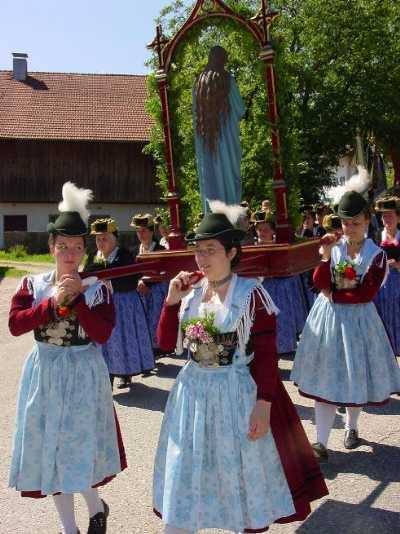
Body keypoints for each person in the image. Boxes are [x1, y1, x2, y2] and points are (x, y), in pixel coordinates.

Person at [153, 204, 328, 534]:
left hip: (235, 393)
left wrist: (263, 405)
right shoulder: (189, 294)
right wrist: (171, 302)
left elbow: (265, 356)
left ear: (231, 252)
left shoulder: (251, 295)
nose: (203, 259)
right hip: (192, 396)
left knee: (238, 475)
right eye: (198, 251)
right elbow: (164, 343)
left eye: (211, 250)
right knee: (188, 470)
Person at [8, 183, 126, 534]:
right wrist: (50, 304)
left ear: (84, 249)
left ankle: (95, 507)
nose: (70, 254)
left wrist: (75, 301)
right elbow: (15, 325)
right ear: (51, 248)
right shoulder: (33, 285)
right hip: (44, 373)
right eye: (63, 247)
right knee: (54, 453)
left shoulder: (97, 288)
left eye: (76, 247)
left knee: (80, 448)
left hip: (83, 372)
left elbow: (103, 334)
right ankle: (68, 529)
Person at [291, 191, 400, 461]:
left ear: (366, 221)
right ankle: (321, 444)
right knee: (325, 378)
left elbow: (366, 294)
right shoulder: (335, 247)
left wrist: (333, 294)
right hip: (327, 319)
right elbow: (319, 281)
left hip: (359, 322)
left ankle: (351, 428)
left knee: (354, 377)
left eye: (354, 222)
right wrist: (326, 256)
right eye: (344, 223)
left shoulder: (377, 255)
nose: (348, 228)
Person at [85, 218, 155, 388]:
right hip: (100, 304)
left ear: (114, 238)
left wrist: (108, 281)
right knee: (104, 340)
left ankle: (125, 373)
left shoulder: (124, 255)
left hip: (123, 305)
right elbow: (87, 277)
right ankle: (106, 374)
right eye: (98, 239)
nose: (101, 243)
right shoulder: (93, 257)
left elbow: (131, 280)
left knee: (122, 338)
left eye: (105, 238)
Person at [193, 46, 245, 212]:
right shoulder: (227, 80)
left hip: (205, 140)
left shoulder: (198, 84)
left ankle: (212, 215)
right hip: (227, 139)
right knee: (229, 174)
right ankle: (230, 213)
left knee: (209, 176)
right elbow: (240, 109)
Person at [131, 214, 168, 354]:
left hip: (156, 289)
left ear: (152, 231)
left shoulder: (161, 250)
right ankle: (143, 345)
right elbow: (131, 272)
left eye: (144, 231)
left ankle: (157, 346)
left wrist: (147, 283)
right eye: (138, 231)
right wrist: (138, 283)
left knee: (156, 313)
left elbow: (163, 272)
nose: (141, 234)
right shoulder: (133, 251)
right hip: (139, 289)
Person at [374, 197, 400, 356]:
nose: (387, 219)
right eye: (384, 216)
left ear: (398, 217)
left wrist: (397, 264)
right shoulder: (376, 236)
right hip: (381, 286)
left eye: (390, 215)